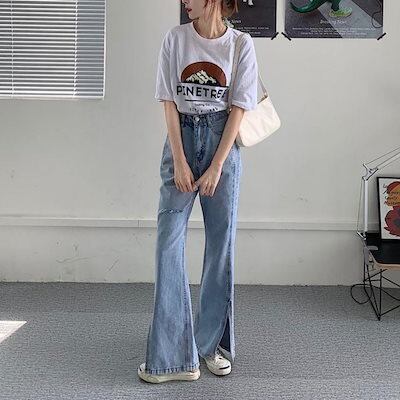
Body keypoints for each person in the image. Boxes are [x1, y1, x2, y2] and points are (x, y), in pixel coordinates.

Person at [138, 0, 258, 384]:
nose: (184, 2)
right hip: (182, 141)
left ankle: (210, 345)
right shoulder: (175, 40)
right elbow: (168, 101)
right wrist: (180, 160)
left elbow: (239, 108)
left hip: (223, 144)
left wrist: (217, 166)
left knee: (220, 248)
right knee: (167, 245)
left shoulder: (240, 45)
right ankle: (173, 358)